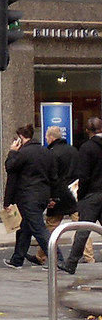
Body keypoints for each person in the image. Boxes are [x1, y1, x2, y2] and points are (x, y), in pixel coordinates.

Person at [3, 124, 64, 268]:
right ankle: (17, 259)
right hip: (42, 196)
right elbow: (54, 177)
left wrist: (12, 152)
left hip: (28, 197)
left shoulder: (23, 153)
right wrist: (53, 197)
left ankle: (58, 258)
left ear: (20, 138)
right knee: (25, 228)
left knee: (38, 229)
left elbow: (10, 168)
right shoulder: (46, 152)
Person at [36, 126, 92, 264]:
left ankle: (41, 255)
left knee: (51, 225)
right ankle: (89, 256)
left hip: (59, 195)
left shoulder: (52, 153)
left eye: (47, 138)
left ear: (51, 138)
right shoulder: (73, 150)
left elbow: (52, 177)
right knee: (82, 225)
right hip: (74, 192)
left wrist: (51, 197)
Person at [61, 117, 102, 274]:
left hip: (92, 194)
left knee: (83, 229)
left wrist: (81, 194)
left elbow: (84, 175)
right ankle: (71, 263)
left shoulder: (87, 148)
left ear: (87, 130)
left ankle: (71, 264)